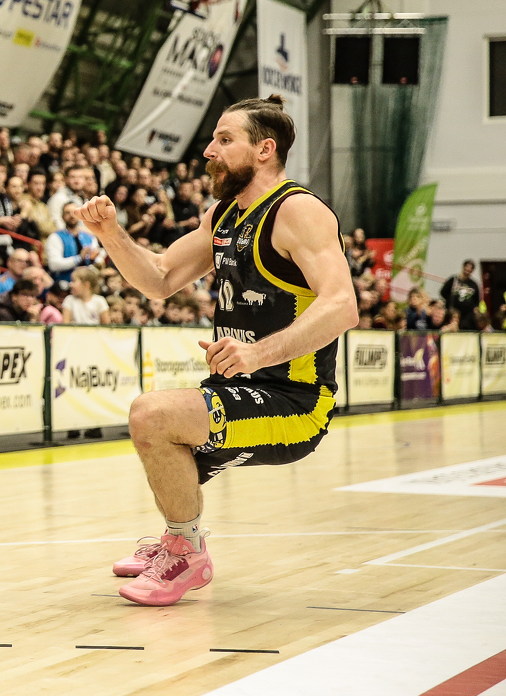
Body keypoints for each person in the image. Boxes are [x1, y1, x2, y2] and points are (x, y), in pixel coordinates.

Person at [78, 95, 357, 607]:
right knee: (159, 432)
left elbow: (342, 306)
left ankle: (187, 553)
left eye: (225, 140)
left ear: (265, 150)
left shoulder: (298, 211)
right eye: (212, 140)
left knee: (152, 415)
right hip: (239, 387)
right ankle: (178, 539)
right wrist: (111, 235)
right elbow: (160, 279)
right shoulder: (223, 214)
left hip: (295, 400)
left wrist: (257, 354)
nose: (209, 151)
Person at [441, 260, 481, 331]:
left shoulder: (473, 284)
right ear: (463, 267)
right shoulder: (454, 280)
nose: (468, 269)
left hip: (467, 315)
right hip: (453, 312)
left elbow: (477, 300)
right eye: (467, 267)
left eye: (470, 268)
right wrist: (449, 301)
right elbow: (443, 292)